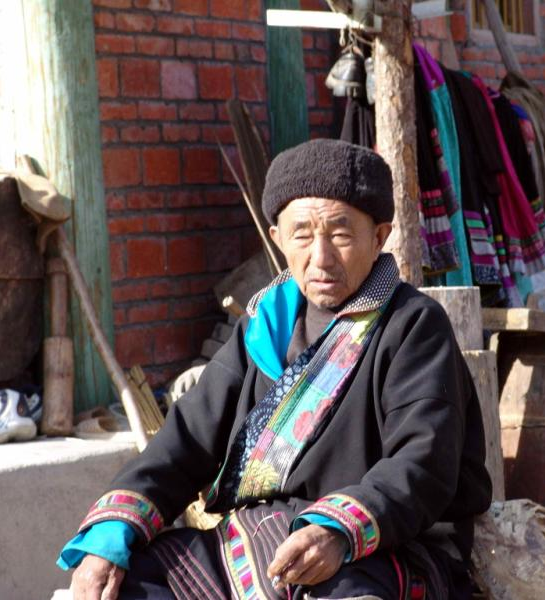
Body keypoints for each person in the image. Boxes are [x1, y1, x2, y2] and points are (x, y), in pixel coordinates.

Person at [58, 138, 492, 600]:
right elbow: (186, 441)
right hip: (258, 543)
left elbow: (423, 464)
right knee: (130, 583)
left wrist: (335, 532)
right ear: (277, 238)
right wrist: (113, 534)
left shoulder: (413, 326)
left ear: (379, 236)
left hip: (379, 546)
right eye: (302, 234)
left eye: (341, 235)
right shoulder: (264, 326)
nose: (320, 257)